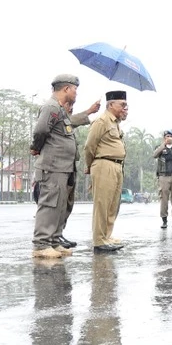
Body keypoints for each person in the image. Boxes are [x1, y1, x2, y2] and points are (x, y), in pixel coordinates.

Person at [29, 74, 100, 259]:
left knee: (61, 205)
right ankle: (41, 244)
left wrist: (89, 111)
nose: (76, 92)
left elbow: (70, 123)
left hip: (64, 166)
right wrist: (36, 148)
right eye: (75, 89)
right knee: (50, 203)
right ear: (66, 89)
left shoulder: (60, 110)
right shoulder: (50, 106)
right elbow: (40, 130)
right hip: (53, 165)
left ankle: (53, 241)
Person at [83, 90, 129, 253]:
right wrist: (89, 166)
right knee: (102, 204)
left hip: (117, 166)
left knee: (113, 205)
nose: (126, 108)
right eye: (122, 105)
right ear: (111, 105)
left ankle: (106, 236)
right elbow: (90, 146)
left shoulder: (115, 123)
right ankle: (99, 240)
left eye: (126, 105)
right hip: (104, 165)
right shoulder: (101, 121)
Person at [54, 95, 99, 249]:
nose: (71, 109)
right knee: (59, 205)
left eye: (72, 106)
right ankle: (54, 237)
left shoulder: (68, 123)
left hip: (70, 167)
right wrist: (89, 111)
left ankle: (59, 234)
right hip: (59, 168)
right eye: (69, 105)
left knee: (68, 204)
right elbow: (72, 120)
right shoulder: (58, 117)